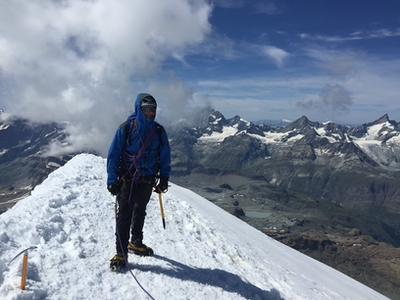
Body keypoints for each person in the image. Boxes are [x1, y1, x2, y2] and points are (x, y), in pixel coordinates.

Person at [106, 93, 171, 271]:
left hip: (147, 178)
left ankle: (135, 242)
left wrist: (164, 177)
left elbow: (165, 155)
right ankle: (121, 252)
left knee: (140, 210)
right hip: (127, 178)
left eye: (153, 110)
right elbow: (113, 155)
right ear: (138, 109)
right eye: (146, 109)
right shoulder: (125, 129)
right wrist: (112, 179)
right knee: (124, 214)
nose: (150, 113)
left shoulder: (159, 131)